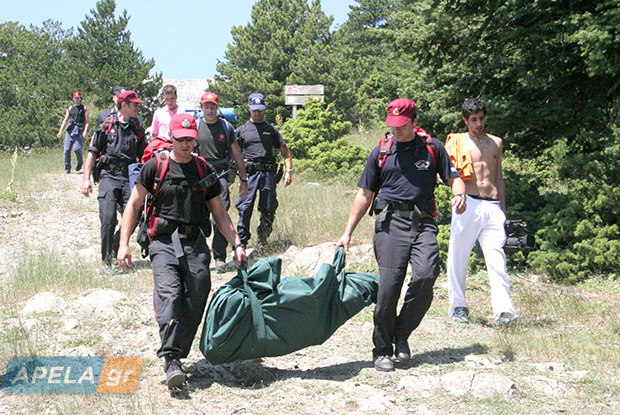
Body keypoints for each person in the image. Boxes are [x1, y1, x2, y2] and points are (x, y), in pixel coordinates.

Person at [117, 113, 247, 388]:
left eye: (190, 139)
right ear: (171, 138)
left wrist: (236, 243)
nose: (185, 144)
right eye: (180, 139)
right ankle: (171, 358)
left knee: (197, 295)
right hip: (163, 242)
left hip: (194, 243)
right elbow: (134, 204)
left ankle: (177, 351)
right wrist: (123, 244)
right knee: (170, 295)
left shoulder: (203, 169)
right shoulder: (155, 166)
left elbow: (219, 213)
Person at [336, 98, 467, 372]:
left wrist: (460, 195)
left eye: (402, 125)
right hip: (390, 224)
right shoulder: (381, 152)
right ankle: (382, 350)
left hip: (423, 222)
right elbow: (364, 194)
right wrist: (347, 232)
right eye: (392, 125)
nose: (396, 130)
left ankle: (401, 334)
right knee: (389, 288)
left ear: (414, 121)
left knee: (426, 276)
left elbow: (453, 177)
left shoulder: (432, 148)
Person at [446, 98, 518, 326]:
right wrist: (457, 194)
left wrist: (503, 210)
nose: (479, 124)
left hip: (492, 206)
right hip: (467, 203)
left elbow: (499, 177)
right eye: (474, 119)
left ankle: (504, 311)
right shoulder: (457, 142)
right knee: (458, 256)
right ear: (466, 120)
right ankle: (458, 307)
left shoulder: (496, 142)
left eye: (482, 119)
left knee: (497, 259)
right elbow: (444, 173)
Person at [81, 90, 147, 272]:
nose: (138, 107)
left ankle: (115, 247)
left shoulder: (137, 127)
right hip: (109, 175)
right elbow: (93, 152)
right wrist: (86, 179)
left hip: (129, 176)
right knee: (108, 218)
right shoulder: (106, 125)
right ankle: (106, 262)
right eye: (135, 104)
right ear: (124, 105)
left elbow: (144, 155)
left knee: (134, 216)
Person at [196, 92, 248, 272]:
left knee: (221, 213)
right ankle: (199, 255)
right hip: (199, 174)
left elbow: (237, 154)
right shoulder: (195, 126)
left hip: (220, 175)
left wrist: (243, 179)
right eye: (206, 107)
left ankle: (219, 256)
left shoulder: (226, 127)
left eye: (213, 107)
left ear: (217, 108)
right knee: (198, 215)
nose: (210, 111)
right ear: (201, 108)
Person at [235, 93, 292, 246]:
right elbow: (233, 154)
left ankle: (263, 238)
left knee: (268, 207)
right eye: (255, 110)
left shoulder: (271, 130)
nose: (257, 113)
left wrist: (289, 171)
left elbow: (285, 152)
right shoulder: (241, 131)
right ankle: (242, 242)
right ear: (249, 108)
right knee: (245, 207)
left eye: (260, 109)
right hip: (249, 174)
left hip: (268, 173)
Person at [57, 92, 89, 174]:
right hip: (70, 129)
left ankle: (80, 162)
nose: (77, 99)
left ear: (80, 99)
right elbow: (65, 120)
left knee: (77, 148)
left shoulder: (84, 108)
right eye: (75, 98)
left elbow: (87, 121)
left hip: (79, 129)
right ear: (73, 99)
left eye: (78, 98)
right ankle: (67, 168)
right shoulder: (70, 108)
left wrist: (85, 131)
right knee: (67, 149)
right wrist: (60, 131)